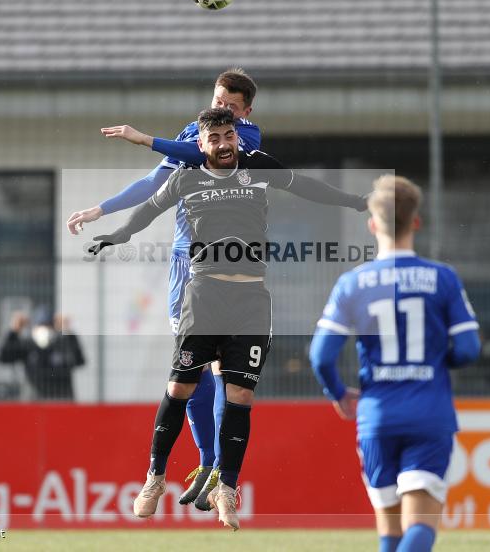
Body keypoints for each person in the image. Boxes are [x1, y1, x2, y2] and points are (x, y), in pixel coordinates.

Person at [88, 107, 367, 530]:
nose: (222, 145)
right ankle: (155, 476)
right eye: (213, 139)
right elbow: (149, 208)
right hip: (203, 295)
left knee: (240, 398)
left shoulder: (257, 167)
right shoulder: (186, 177)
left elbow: (307, 186)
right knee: (180, 385)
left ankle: (227, 488)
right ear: (200, 146)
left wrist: (355, 202)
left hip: (251, 300)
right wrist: (118, 234)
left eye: (228, 136)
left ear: (238, 138)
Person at [67, 68, 261, 510]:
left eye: (230, 106)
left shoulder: (243, 136)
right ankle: (208, 459)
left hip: (225, 265)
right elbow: (154, 183)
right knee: (187, 372)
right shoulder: (194, 132)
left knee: (222, 371)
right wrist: (101, 210)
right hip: (183, 264)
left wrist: (143, 138)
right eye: (217, 100)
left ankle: (216, 469)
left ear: (245, 111)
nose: (221, 110)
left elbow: (198, 155)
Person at [309, 175, 480, 551]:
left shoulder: (353, 283)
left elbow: (321, 356)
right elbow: (468, 349)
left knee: (391, 531)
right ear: (415, 222)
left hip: (377, 417)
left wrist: (337, 392)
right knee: (420, 527)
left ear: (372, 224)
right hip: (428, 413)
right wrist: (436, 360)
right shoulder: (442, 278)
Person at [0, 307, 86, 400]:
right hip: (34, 402)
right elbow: (3, 358)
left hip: (61, 400)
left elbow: (79, 360)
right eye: (40, 326)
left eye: (48, 326)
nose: (44, 330)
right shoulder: (28, 345)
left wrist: (68, 331)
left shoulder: (62, 343)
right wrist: (14, 331)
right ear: (34, 328)